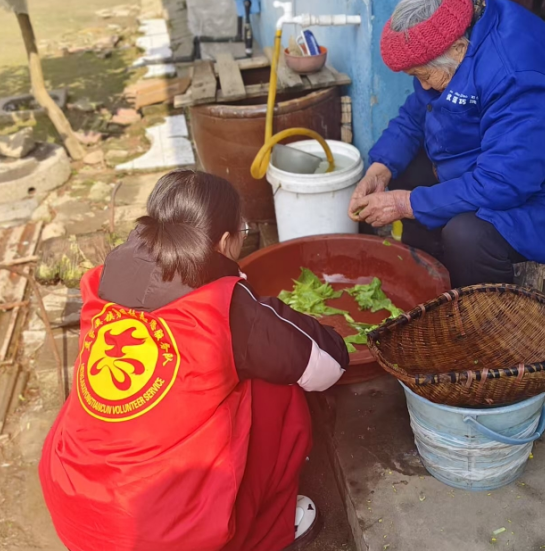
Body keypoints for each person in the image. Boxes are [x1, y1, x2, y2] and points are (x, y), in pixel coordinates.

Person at [39, 170, 349, 551]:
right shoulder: (226, 308)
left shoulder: (106, 277)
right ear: (225, 241)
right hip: (159, 536)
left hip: (75, 508)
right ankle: (268, 528)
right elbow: (327, 366)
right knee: (276, 386)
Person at [349, 0, 545, 288]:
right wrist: (380, 169)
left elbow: (505, 183)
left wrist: (406, 204)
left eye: (423, 75)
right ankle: (431, 283)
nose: (422, 85)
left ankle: (483, 311)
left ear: (458, 48)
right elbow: (418, 112)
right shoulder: (459, 33)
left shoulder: (518, 74)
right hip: (511, 161)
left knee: (468, 236)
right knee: (405, 171)